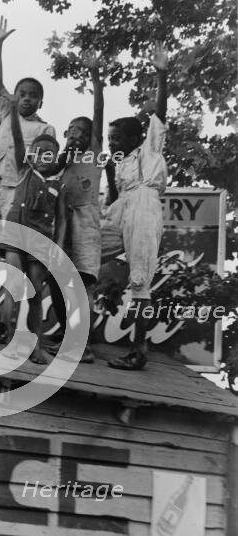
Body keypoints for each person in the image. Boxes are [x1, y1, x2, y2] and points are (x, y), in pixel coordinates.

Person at [0, 16, 56, 333]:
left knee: (11, 255)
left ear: (40, 100)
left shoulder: (44, 128)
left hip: (19, 194)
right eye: (21, 93)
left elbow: (44, 165)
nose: (26, 98)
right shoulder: (7, 111)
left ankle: (8, 321)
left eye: (32, 95)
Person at [101, 41, 169, 370]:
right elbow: (114, 204)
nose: (111, 142)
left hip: (144, 206)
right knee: (85, 251)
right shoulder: (120, 163)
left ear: (133, 138)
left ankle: (138, 351)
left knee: (140, 279)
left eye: (115, 138)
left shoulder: (149, 150)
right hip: (123, 209)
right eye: (109, 138)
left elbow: (161, 113)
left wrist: (161, 73)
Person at [0, 95, 65, 365]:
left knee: (34, 293)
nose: (43, 157)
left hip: (41, 242)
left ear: (56, 158)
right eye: (39, 152)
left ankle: (36, 346)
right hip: (15, 235)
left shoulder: (58, 185)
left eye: (50, 154)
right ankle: (9, 339)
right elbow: (19, 140)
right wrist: (11, 113)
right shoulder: (24, 171)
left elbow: (62, 219)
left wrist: (58, 248)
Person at [46, 49, 105, 364]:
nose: (76, 135)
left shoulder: (94, 154)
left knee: (81, 282)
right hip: (63, 226)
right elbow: (50, 168)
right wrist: (65, 150)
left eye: (82, 132)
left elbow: (98, 111)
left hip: (85, 225)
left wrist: (95, 77)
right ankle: (68, 332)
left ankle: (82, 345)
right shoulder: (65, 163)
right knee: (57, 279)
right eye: (71, 131)